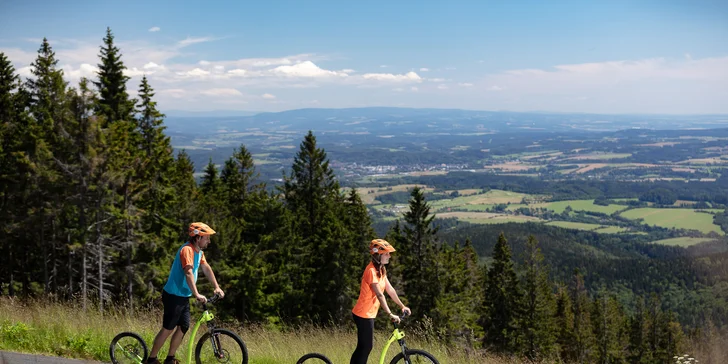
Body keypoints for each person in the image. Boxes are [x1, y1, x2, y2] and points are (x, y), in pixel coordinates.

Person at [146, 222, 225, 364]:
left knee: (183, 327)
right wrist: (197, 294)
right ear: (197, 238)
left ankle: (170, 359)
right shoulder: (187, 250)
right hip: (173, 296)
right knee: (168, 328)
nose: (209, 241)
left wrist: (217, 287)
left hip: (183, 296)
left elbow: (206, 268)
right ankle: (151, 359)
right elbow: (188, 273)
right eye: (206, 238)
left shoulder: (199, 252)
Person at [350, 239, 411, 364]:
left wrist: (402, 306)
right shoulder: (371, 271)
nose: (389, 256)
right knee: (366, 347)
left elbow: (390, 289)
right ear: (378, 255)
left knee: (363, 347)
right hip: (363, 314)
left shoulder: (381, 269)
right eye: (386, 253)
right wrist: (390, 314)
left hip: (369, 314)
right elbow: (379, 294)